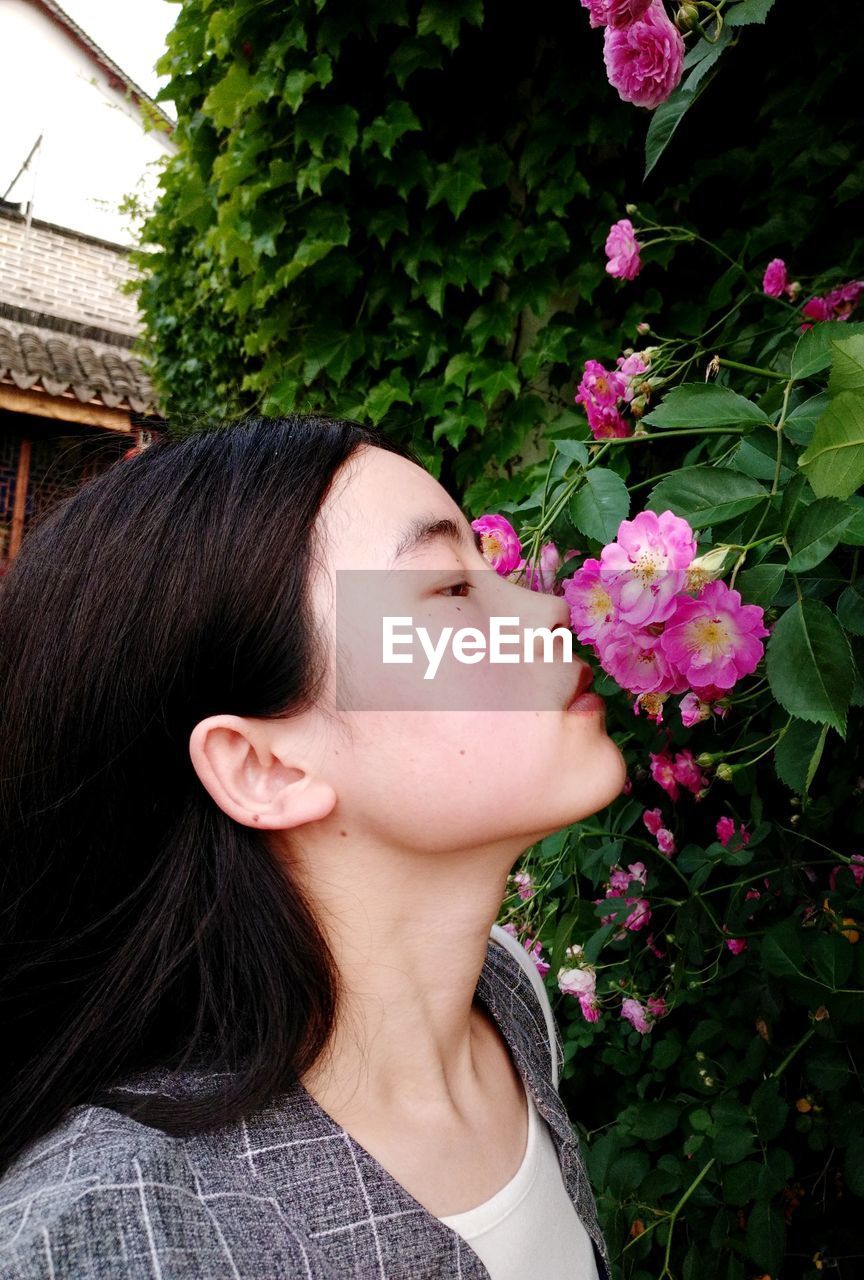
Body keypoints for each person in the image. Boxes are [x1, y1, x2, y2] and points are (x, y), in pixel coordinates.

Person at [0, 415, 627, 1277]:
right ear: (262, 767)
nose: (550, 611)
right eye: (448, 589)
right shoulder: (110, 1231)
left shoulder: (509, 1000)